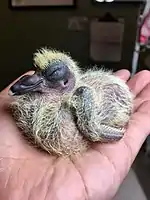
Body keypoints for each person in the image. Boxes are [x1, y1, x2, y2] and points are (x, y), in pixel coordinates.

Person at [0, 69, 150, 200]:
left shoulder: (77, 96)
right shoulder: (40, 105)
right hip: (88, 103)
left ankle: (92, 125)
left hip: (99, 101)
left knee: (81, 94)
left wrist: (92, 127)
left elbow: (82, 93)